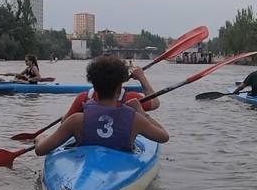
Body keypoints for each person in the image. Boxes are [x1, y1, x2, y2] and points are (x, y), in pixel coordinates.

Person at [35, 54, 169, 155]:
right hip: (121, 169)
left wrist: (40, 139)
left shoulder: (75, 120)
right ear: (119, 88)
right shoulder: (136, 119)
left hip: (87, 168)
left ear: (94, 85)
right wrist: (142, 113)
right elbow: (163, 137)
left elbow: (40, 151)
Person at [62, 61, 160, 116]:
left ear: (93, 83)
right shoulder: (130, 99)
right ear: (120, 85)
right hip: (121, 148)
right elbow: (155, 103)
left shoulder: (84, 98)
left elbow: (64, 122)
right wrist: (141, 78)